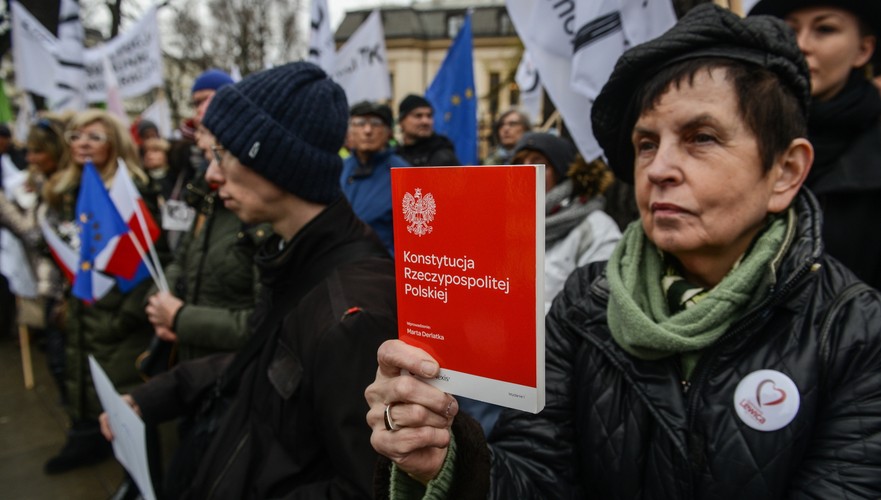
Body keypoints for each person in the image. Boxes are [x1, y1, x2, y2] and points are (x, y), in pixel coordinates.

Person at [365, 4, 881, 499]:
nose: (659, 169)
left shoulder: (851, 329)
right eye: (647, 144)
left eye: (701, 138)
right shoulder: (583, 306)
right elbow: (535, 475)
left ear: (785, 172)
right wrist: (449, 461)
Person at [101, 61, 398, 499]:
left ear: (277, 163)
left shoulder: (352, 314)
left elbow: (364, 487)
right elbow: (266, 368)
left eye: (223, 154)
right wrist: (162, 393)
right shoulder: (291, 258)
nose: (211, 174)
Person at [41, 109, 166, 475]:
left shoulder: (131, 190)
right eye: (77, 136)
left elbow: (149, 263)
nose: (83, 143)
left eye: (94, 136)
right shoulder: (66, 189)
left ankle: (140, 477)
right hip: (84, 311)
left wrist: (121, 318)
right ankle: (91, 444)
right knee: (88, 388)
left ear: (115, 143)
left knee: (125, 401)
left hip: (117, 320)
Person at [748, 0, 881, 291]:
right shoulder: (746, 134)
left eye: (825, 29)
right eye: (789, 29)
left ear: (863, 50)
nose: (802, 44)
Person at [511, 132, 621, 313]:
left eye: (539, 164)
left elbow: (594, 308)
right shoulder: (503, 223)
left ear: (561, 172)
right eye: (518, 164)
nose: (526, 171)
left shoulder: (596, 228)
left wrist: (515, 311)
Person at [0, 116, 69, 402]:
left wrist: (4, 210)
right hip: (55, 290)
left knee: (62, 363)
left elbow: (40, 240)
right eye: (28, 151)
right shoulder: (45, 184)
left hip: (66, 294)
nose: (30, 158)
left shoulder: (65, 191)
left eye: (37, 151)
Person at [341, 101, 410, 254]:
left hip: (383, 269)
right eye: (360, 123)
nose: (367, 130)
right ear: (350, 131)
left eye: (376, 123)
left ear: (388, 132)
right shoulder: (340, 168)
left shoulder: (403, 174)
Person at [395, 94, 460, 166]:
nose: (425, 121)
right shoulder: (394, 156)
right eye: (418, 115)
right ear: (401, 121)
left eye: (429, 116)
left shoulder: (443, 157)